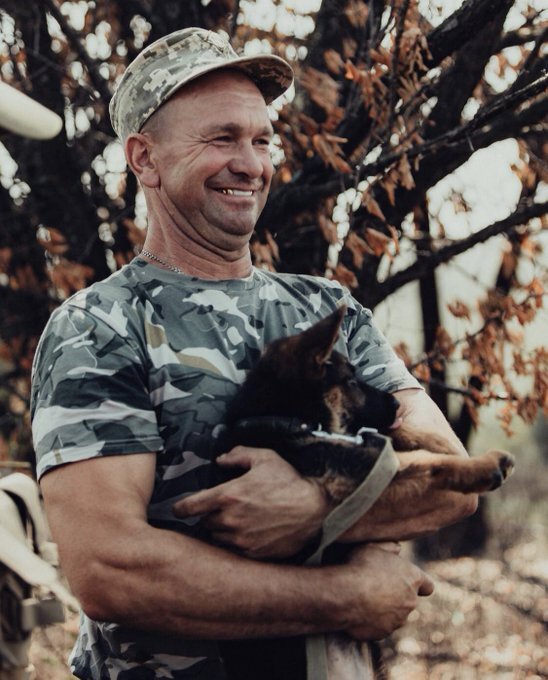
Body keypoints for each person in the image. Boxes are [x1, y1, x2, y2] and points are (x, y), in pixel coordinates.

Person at [31, 27, 477, 679]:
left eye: (262, 139)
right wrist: (343, 596)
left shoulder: (329, 311)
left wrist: (314, 507)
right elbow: (110, 568)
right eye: (222, 139)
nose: (252, 163)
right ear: (145, 159)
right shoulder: (99, 325)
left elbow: (454, 482)